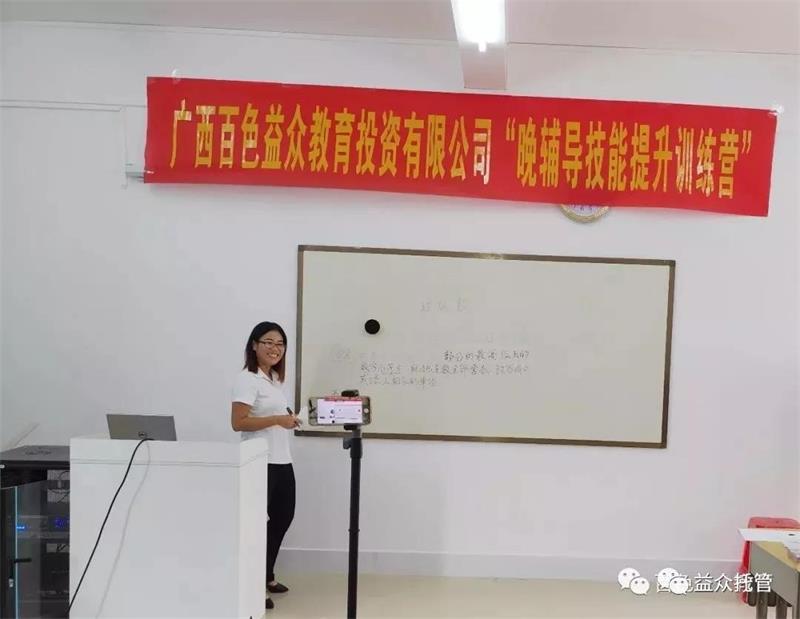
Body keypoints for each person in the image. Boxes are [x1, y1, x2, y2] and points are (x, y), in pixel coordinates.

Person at [231, 321, 300, 611]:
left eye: (280, 344)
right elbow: (238, 422)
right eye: (268, 342)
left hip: (282, 460)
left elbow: (274, 418)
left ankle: (267, 574)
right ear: (254, 345)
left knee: (283, 518)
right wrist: (277, 420)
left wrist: (288, 420)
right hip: (260, 461)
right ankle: (253, 585)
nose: (275, 348)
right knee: (257, 525)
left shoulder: (273, 380)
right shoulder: (247, 379)